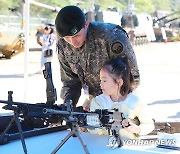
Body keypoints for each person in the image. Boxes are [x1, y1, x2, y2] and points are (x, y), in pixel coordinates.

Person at [55, 5, 140, 107]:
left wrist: (105, 100)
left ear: (86, 24)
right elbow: (70, 82)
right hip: (95, 104)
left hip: (122, 104)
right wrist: (68, 104)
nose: (72, 42)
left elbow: (132, 77)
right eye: (67, 38)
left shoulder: (112, 36)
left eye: (76, 35)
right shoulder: (63, 45)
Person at [89, 58, 154, 139]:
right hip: (104, 147)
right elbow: (92, 128)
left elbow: (149, 124)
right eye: (100, 80)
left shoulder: (135, 101)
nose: (101, 85)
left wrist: (137, 129)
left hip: (129, 147)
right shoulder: (98, 102)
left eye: (104, 81)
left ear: (119, 82)